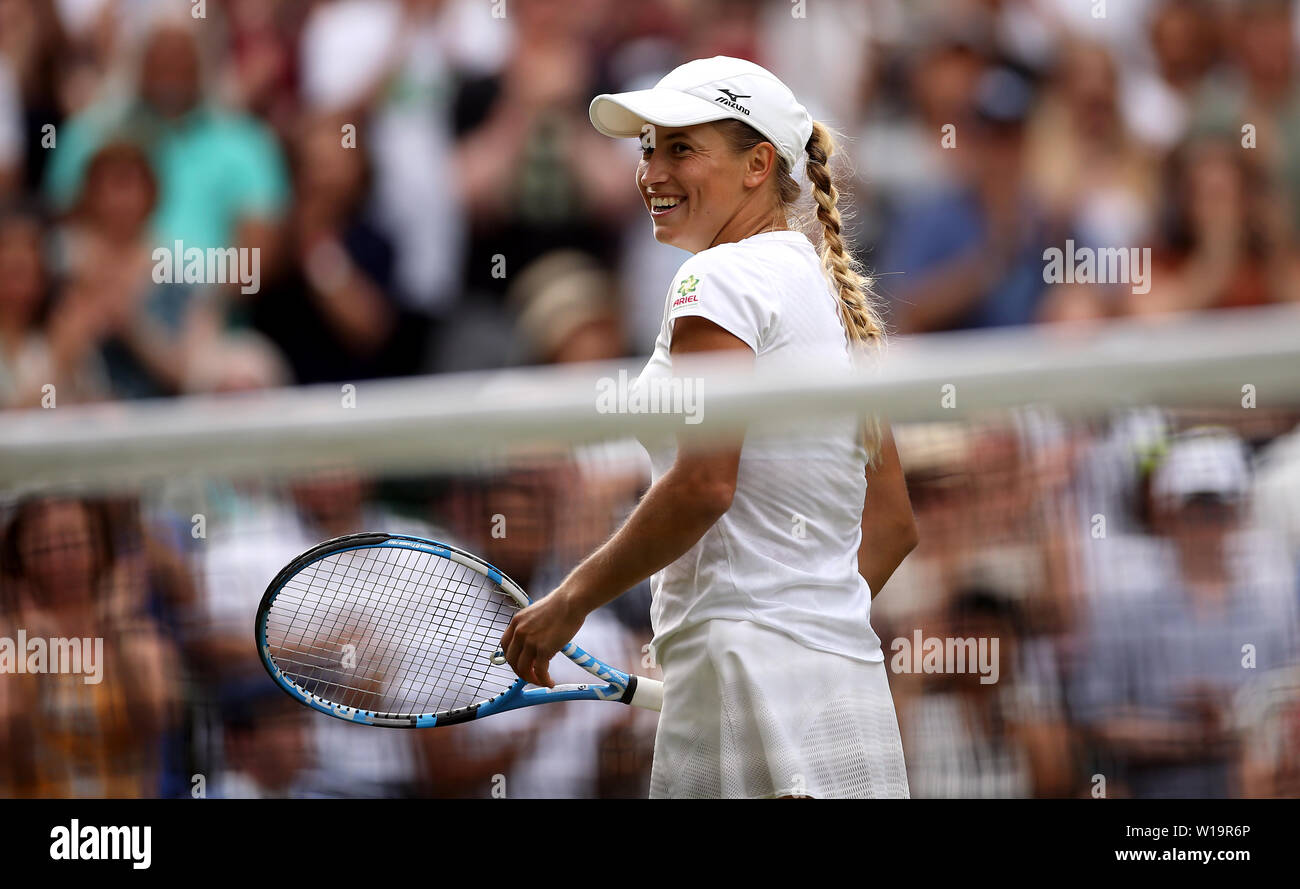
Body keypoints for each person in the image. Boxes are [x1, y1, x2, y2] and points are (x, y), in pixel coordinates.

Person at [499, 56, 918, 799]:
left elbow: (702, 484)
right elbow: (892, 529)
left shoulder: (716, 280)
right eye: (647, 148)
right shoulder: (828, 299)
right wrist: (792, 621)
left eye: (681, 148)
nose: (651, 171)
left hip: (743, 672)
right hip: (842, 685)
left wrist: (572, 600)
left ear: (759, 164)